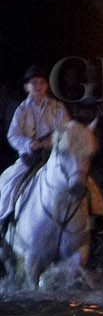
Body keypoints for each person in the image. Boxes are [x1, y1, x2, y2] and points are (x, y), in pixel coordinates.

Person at [1, 66, 73, 223]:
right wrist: (29, 144)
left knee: (80, 178)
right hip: (31, 158)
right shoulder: (21, 110)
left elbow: (66, 130)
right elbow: (12, 135)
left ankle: (98, 219)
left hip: (54, 157)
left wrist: (52, 141)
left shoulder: (57, 107)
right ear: (27, 87)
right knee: (8, 182)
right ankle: (6, 221)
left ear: (46, 86)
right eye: (34, 83)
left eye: (41, 82)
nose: (38, 86)